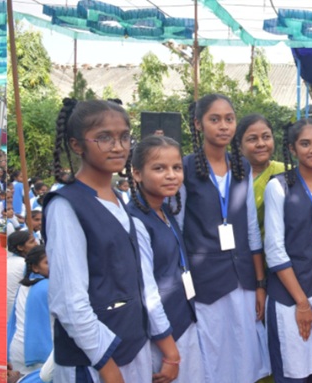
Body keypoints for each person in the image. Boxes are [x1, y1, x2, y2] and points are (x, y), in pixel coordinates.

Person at [45, 98, 179, 382]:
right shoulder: (66, 205)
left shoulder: (121, 200)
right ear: (76, 145)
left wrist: (167, 347)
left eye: (124, 137)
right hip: (94, 362)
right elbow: (69, 302)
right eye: (104, 138)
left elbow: (143, 284)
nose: (118, 146)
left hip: (132, 346)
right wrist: (108, 367)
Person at [177, 94, 269, 382]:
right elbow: (176, 231)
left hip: (241, 277)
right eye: (214, 119)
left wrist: (260, 284)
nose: (223, 126)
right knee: (212, 353)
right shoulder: (185, 168)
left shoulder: (242, 166)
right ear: (198, 124)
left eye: (229, 119)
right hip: (205, 279)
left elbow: (252, 229)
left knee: (243, 351)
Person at [263, 119, 312, 381]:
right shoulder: (278, 187)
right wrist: (300, 302)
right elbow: (274, 250)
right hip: (290, 298)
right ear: (292, 149)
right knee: (293, 372)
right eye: (305, 143)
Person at [125, 135, 208, 382]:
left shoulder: (163, 210)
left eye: (176, 168)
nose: (171, 175)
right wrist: (170, 353)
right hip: (160, 337)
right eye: (159, 168)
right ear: (137, 174)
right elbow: (147, 294)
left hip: (182, 321)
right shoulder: (136, 221)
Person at [9, 246, 52, 380]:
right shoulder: (50, 287)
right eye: (48, 262)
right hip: (39, 353)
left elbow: (13, 321)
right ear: (35, 267)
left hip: (16, 349)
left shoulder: (23, 286)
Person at [236, 114, 287, 225]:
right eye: (252, 139)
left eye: (266, 137)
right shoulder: (232, 177)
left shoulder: (287, 172)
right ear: (240, 146)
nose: (261, 144)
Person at [7, 230, 36, 314]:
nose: (36, 244)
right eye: (32, 242)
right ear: (20, 247)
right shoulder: (24, 264)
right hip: (17, 308)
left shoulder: (9, 260)